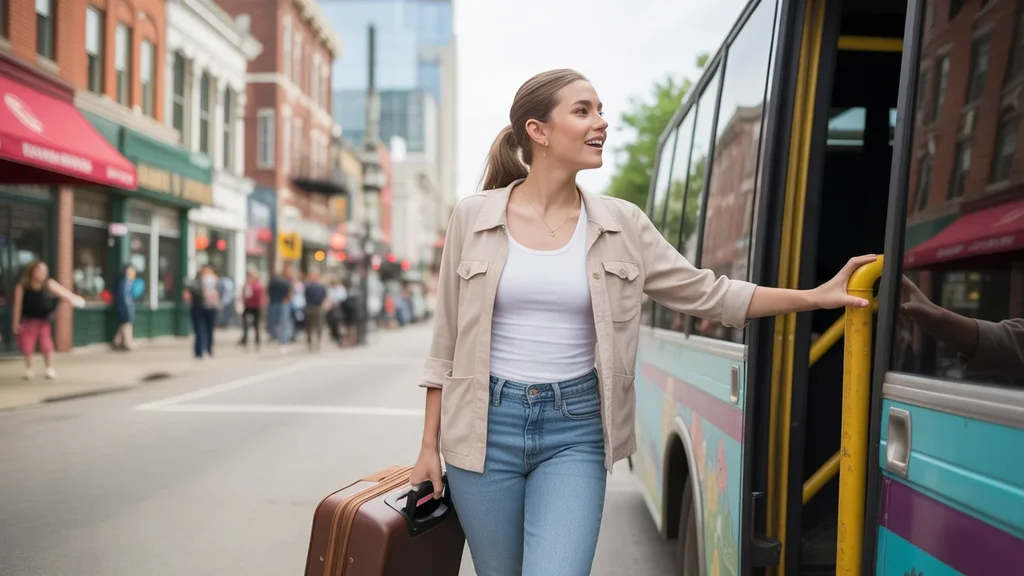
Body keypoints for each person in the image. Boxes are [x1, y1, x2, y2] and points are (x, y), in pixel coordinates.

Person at [407, 69, 877, 576]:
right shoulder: (472, 217)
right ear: (537, 130)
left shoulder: (622, 224)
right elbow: (447, 342)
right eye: (583, 111)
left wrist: (815, 296)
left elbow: (708, 293)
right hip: (482, 429)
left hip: (576, 430)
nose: (601, 123)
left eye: (601, 110)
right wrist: (428, 448)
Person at [12, 261, 86, 380]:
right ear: (33, 271)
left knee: (47, 345)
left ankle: (49, 368)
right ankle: (30, 369)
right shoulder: (22, 286)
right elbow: (18, 306)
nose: (43, 273)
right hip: (28, 321)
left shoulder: (48, 284)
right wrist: (15, 322)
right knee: (27, 346)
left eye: (44, 271)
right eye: (40, 270)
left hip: (43, 321)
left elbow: (63, 293)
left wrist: (74, 299)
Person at [183, 265, 220, 359]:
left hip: (211, 307)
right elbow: (188, 293)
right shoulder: (195, 282)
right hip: (198, 306)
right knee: (199, 329)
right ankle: (199, 350)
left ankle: (208, 348)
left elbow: (220, 293)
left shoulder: (215, 281)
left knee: (209, 329)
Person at [266, 265, 294, 352]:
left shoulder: (275, 282)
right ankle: (280, 339)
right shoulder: (284, 282)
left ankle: (279, 339)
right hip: (280, 303)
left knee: (279, 323)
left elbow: (267, 292)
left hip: (277, 303)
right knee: (281, 323)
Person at [238, 267, 265, 350]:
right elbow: (244, 295)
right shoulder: (247, 284)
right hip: (248, 306)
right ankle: (245, 339)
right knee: (245, 324)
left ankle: (257, 340)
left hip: (257, 306)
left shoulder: (259, 285)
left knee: (256, 325)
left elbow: (262, 295)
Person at [112, 264, 137, 351]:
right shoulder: (123, 281)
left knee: (124, 324)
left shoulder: (129, 281)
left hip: (127, 305)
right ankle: (127, 342)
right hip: (124, 306)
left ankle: (117, 341)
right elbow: (123, 296)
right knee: (126, 324)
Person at [303, 269, 328, 352]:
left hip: (312, 307)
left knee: (312, 326)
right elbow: (325, 297)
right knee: (316, 326)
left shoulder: (308, 287)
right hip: (315, 307)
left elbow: (305, 296)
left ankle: (312, 342)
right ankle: (315, 342)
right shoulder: (320, 287)